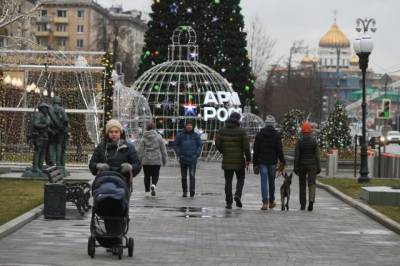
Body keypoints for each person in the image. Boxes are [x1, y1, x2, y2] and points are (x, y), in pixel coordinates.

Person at [215, 112, 251, 209]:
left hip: (227, 159)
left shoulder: (221, 130)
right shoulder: (241, 131)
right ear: (238, 120)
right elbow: (246, 147)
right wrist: (248, 158)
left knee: (228, 181)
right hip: (239, 159)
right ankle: (238, 194)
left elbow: (217, 143)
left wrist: (223, 151)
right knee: (241, 178)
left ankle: (229, 202)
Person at [89, 119, 141, 184]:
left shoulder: (129, 147)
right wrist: (98, 166)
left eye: (116, 132)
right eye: (111, 132)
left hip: (122, 183)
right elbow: (92, 164)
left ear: (120, 132)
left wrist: (130, 167)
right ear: (107, 133)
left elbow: (137, 164)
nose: (114, 134)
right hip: (103, 183)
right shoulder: (101, 147)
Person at [253, 115, 286, 210]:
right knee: (272, 181)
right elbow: (279, 150)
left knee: (263, 181)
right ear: (273, 124)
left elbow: (256, 150)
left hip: (262, 161)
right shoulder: (276, 135)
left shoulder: (259, 134)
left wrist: (255, 163)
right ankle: (271, 201)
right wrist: (282, 161)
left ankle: (265, 202)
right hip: (272, 162)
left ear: (265, 124)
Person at [294, 121, 321, 211]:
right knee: (312, 183)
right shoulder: (314, 141)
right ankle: (311, 201)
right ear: (310, 131)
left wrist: (296, 167)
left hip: (302, 165)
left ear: (302, 131)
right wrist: (319, 167)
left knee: (302, 185)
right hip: (312, 165)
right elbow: (317, 155)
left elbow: (297, 156)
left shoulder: (299, 141)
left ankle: (302, 204)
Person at [137, 122, 168, 197]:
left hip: (146, 160)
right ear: (154, 128)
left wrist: (138, 161)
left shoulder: (143, 138)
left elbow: (139, 151)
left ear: (146, 128)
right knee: (155, 174)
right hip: (156, 159)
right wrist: (164, 160)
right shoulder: (159, 137)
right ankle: (153, 185)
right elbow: (163, 150)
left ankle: (147, 192)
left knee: (146, 176)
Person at [175, 121, 202, 198]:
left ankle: (192, 191)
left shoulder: (196, 136)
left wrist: (197, 154)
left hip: (192, 159)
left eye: (191, 125)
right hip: (183, 159)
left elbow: (200, 145)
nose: (189, 126)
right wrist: (179, 153)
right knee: (183, 177)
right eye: (188, 125)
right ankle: (184, 191)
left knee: (192, 176)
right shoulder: (180, 135)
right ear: (185, 126)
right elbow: (175, 144)